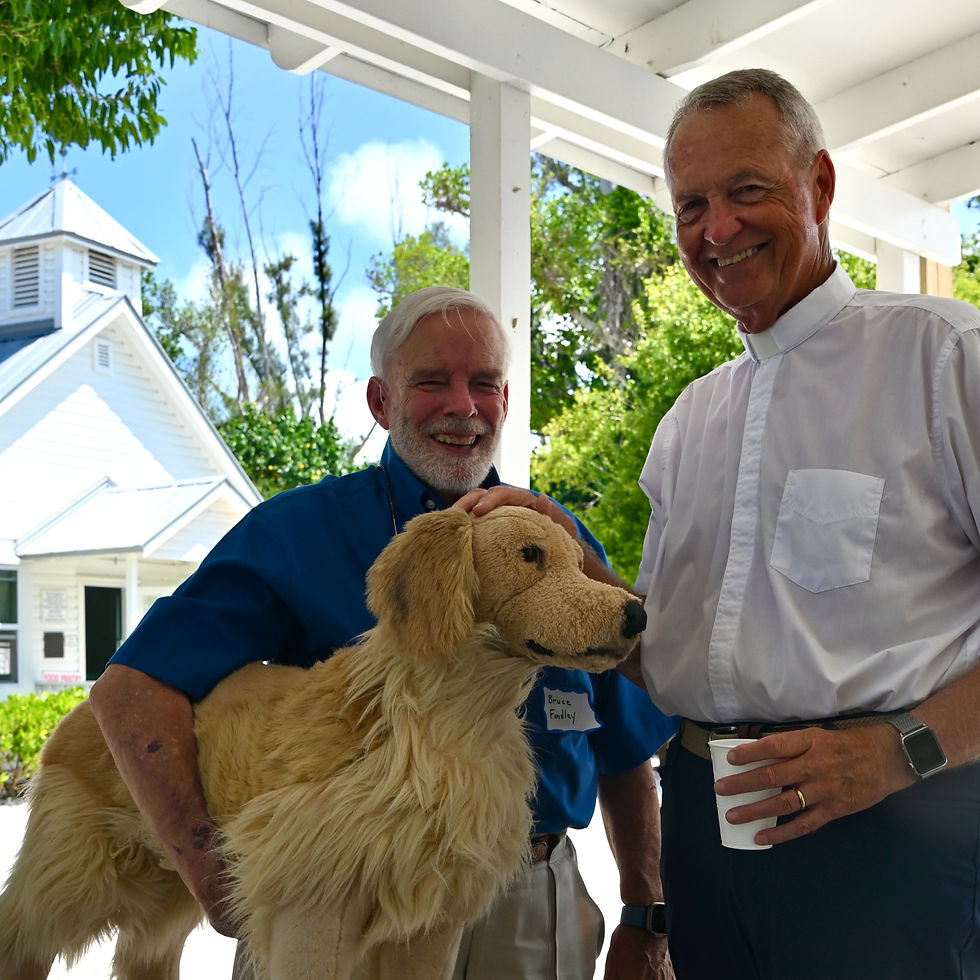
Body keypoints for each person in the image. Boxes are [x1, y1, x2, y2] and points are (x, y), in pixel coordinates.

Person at [88, 285, 678, 980]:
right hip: (339, 896)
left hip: (525, 902)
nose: (464, 406)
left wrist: (646, 912)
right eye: (433, 382)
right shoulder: (298, 531)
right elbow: (131, 689)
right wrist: (210, 876)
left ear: (505, 400)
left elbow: (623, 743)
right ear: (380, 402)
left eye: (484, 383)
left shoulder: (555, 537)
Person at [622, 68, 980, 978]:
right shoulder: (686, 423)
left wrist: (902, 751)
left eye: (748, 191)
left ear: (819, 186)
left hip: (893, 830)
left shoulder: (946, 358)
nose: (718, 229)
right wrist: (545, 569)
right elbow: (657, 655)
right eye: (691, 204)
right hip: (703, 831)